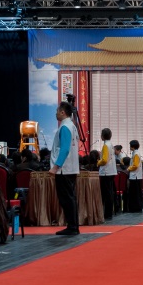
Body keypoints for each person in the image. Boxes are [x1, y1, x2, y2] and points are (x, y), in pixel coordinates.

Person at [49, 101, 81, 236]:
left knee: (67, 199)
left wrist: (56, 167)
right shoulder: (72, 126)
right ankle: (72, 225)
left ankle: (72, 226)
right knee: (70, 198)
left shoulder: (65, 127)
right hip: (70, 168)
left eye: (57, 111)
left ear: (63, 112)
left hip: (64, 169)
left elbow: (65, 149)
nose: (56, 113)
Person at [96, 128, 117, 220]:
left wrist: (98, 162)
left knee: (106, 194)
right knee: (109, 193)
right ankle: (109, 213)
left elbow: (104, 160)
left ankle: (107, 214)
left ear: (102, 136)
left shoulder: (105, 146)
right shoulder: (111, 145)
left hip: (105, 172)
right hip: (111, 171)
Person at [126, 140, 143, 212]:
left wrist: (129, 168)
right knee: (136, 193)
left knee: (135, 193)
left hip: (135, 176)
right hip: (136, 176)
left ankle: (135, 208)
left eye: (130, 145)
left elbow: (135, 165)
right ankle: (136, 207)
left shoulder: (136, 154)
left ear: (132, 146)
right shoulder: (135, 153)